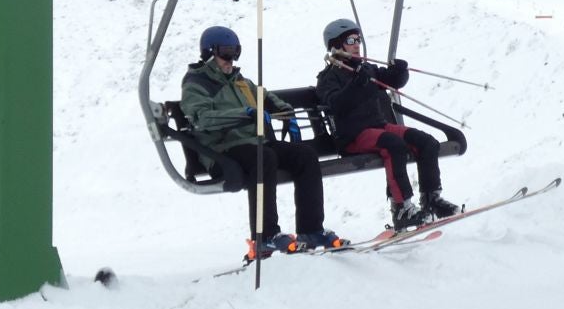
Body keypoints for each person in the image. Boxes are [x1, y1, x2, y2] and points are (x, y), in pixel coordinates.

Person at [181, 25, 345, 257]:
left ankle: (311, 230)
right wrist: (244, 113)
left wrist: (285, 111)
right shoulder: (196, 84)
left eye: (235, 52)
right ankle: (265, 235)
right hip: (223, 151)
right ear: (209, 53)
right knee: (264, 157)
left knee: (304, 155)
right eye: (226, 53)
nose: (231, 59)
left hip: (255, 144)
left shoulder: (241, 82)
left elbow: (267, 97)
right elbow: (202, 119)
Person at [315, 18, 460, 232]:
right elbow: (336, 104)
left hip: (378, 127)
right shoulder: (329, 78)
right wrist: (356, 85)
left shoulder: (366, 69)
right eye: (351, 40)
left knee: (426, 142)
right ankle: (402, 209)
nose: (357, 44)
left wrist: (399, 72)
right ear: (336, 45)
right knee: (394, 146)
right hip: (354, 136)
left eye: (358, 39)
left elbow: (392, 82)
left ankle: (432, 199)